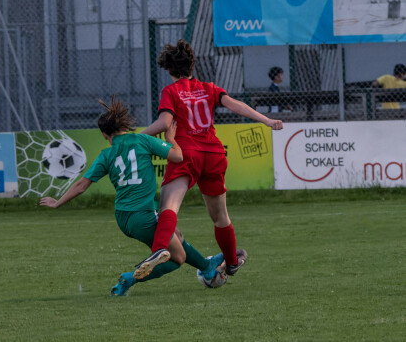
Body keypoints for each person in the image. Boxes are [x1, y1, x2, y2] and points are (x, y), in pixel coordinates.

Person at [40, 95, 224, 296]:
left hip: (123, 218)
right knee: (177, 257)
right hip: (144, 215)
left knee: (176, 235)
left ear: (104, 134)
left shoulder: (106, 155)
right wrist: (170, 139)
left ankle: (206, 265)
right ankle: (130, 278)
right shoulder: (143, 140)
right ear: (124, 125)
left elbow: (82, 185)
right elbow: (178, 157)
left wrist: (58, 202)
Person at [136, 39, 283, 278]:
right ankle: (232, 262)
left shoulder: (171, 91)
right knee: (220, 216)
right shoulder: (208, 88)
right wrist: (266, 121)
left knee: (169, 206)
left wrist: (136, 139)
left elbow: (164, 123)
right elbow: (236, 105)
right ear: (192, 66)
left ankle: (159, 249)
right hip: (214, 154)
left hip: (186, 153)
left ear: (169, 70)